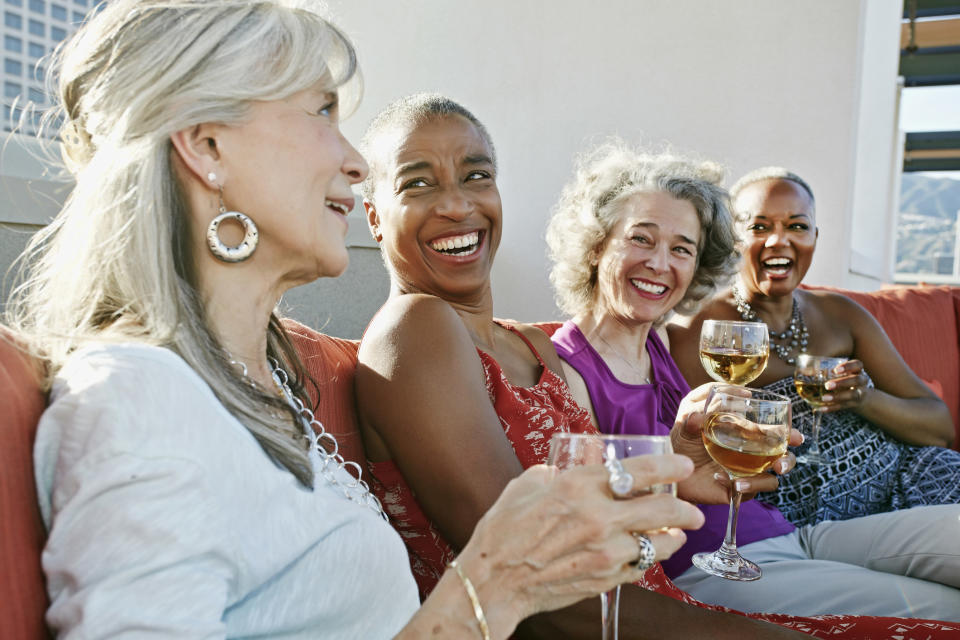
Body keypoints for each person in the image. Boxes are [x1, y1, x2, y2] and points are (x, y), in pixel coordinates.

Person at [6, 2, 707, 638]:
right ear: (206, 145)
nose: (351, 161)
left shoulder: (258, 385)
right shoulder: (138, 397)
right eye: (320, 113)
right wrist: (494, 585)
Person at [353, 93, 953, 638]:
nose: (458, 203)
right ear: (373, 214)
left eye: (477, 176)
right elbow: (532, 572)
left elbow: (584, 497)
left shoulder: (523, 346)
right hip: (652, 595)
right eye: (418, 184)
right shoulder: (420, 328)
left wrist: (675, 469)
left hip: (714, 561)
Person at [537, 153, 960, 618]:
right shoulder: (568, 367)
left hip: (791, 534)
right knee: (940, 609)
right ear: (597, 245)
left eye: (682, 249)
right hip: (709, 566)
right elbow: (585, 520)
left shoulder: (657, 342)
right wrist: (677, 474)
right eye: (641, 239)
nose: (661, 264)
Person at [669, 167, 960, 527]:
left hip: (914, 478)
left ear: (815, 237)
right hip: (814, 522)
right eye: (759, 227)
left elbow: (939, 427)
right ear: (733, 239)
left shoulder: (841, 314)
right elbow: (691, 442)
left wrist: (864, 399)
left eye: (797, 226)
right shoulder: (703, 332)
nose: (779, 241)